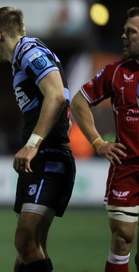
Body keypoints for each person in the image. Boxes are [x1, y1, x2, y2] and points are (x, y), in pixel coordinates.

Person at [0, 7, 76, 272]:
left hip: (48, 158)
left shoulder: (29, 51)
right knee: (29, 251)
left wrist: (33, 143)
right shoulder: (23, 58)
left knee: (25, 241)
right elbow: (62, 107)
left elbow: (57, 95)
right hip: (43, 158)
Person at [71, 7, 139, 272]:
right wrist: (98, 142)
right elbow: (79, 102)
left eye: (130, 32)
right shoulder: (116, 72)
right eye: (124, 32)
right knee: (122, 240)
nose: (124, 36)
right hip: (127, 168)